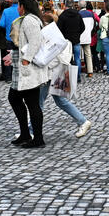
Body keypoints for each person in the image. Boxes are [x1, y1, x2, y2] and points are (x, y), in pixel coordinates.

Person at [37, 10, 93, 138]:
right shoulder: (58, 37)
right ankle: (83, 121)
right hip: (58, 71)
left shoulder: (52, 38)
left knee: (39, 102)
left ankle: (31, 130)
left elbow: (50, 57)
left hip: (52, 72)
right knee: (59, 100)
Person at [10, 0, 47, 148]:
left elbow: (35, 41)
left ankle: (37, 138)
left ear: (23, 6)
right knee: (19, 99)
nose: (17, 8)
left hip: (29, 69)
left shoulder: (29, 21)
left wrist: (26, 59)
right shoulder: (33, 19)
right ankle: (27, 133)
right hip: (27, 69)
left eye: (18, 5)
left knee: (30, 103)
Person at [57, 0, 85, 77]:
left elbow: (59, 29)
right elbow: (83, 27)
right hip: (76, 40)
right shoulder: (78, 14)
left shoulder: (62, 15)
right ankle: (77, 76)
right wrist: (78, 34)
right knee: (77, 59)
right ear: (73, 5)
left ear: (65, 5)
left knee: (66, 59)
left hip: (66, 41)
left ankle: (67, 77)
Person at [78, 1, 97, 78]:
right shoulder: (91, 14)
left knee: (77, 55)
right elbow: (93, 25)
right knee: (88, 54)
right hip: (87, 36)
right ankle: (90, 71)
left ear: (79, 6)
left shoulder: (78, 14)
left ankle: (78, 71)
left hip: (79, 37)